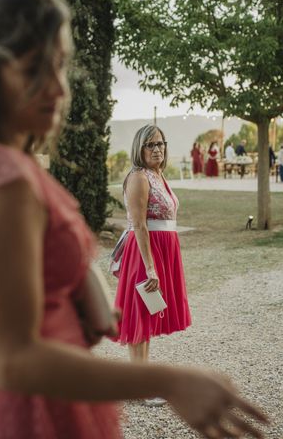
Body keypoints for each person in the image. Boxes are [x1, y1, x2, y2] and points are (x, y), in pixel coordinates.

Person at [0, 0, 268, 439]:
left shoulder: (3, 169)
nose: (58, 87)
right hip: (23, 417)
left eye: (60, 65)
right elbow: (14, 359)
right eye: (36, 68)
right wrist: (170, 380)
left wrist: (86, 293)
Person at [114, 125, 193, 406]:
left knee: (147, 319)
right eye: (150, 145)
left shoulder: (158, 174)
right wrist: (150, 267)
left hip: (164, 250)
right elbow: (138, 224)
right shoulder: (138, 177)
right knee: (140, 319)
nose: (157, 149)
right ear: (139, 148)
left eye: (160, 143)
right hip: (146, 253)